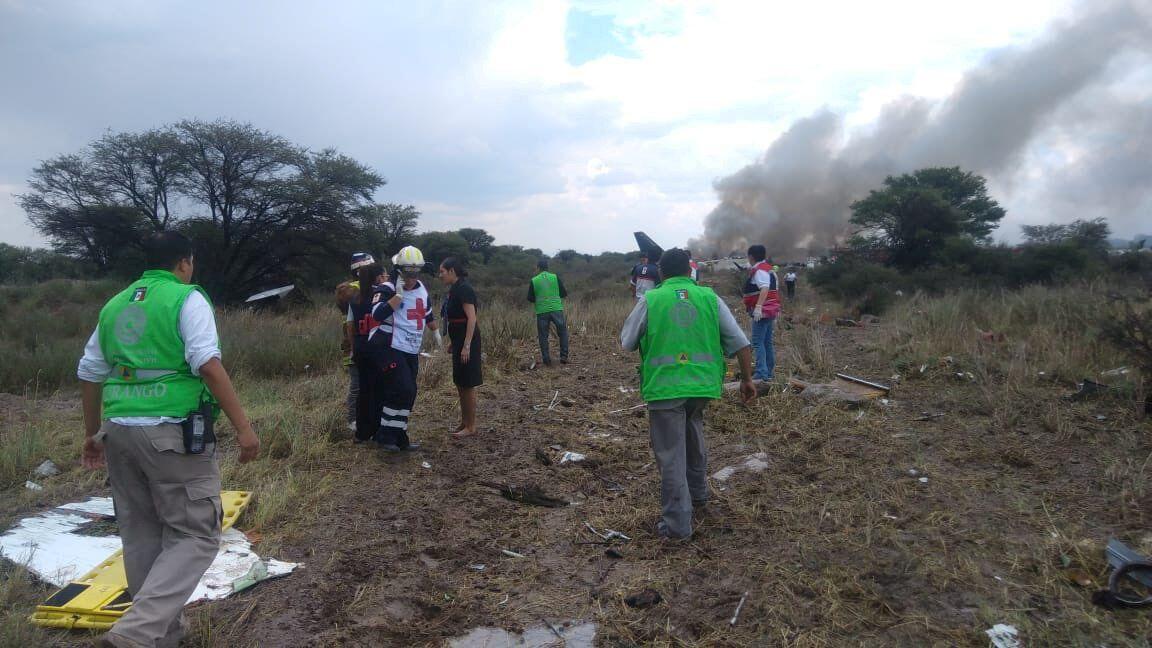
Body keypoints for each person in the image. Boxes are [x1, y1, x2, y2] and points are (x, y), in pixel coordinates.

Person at [77, 231, 260, 648]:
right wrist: (244, 428)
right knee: (196, 536)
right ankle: (135, 633)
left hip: (119, 432)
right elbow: (208, 365)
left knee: (142, 534)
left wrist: (92, 435)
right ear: (184, 262)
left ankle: (163, 636)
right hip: (171, 433)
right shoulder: (186, 298)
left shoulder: (115, 304)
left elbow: (89, 372)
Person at [621, 248, 756, 540]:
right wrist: (747, 380)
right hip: (703, 387)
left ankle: (677, 526)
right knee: (693, 434)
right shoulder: (709, 298)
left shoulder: (651, 299)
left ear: (661, 273)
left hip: (665, 388)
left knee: (671, 456)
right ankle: (698, 496)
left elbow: (627, 342)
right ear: (689, 270)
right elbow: (741, 343)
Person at [367, 245, 437, 452]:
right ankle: (385, 436)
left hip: (410, 347)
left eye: (416, 273)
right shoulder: (387, 288)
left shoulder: (421, 289)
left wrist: (436, 331)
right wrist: (397, 296)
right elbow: (376, 315)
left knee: (409, 392)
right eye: (408, 273)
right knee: (402, 388)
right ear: (398, 270)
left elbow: (427, 312)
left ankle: (399, 436)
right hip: (388, 346)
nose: (412, 277)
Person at [439, 256, 482, 437]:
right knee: (459, 382)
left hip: (467, 342)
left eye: (442, 272)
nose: (440, 275)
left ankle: (471, 427)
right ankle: (464, 422)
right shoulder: (454, 289)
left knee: (467, 383)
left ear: (452, 271)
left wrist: (466, 346)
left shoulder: (464, 289)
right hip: (458, 340)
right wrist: (453, 342)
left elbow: (471, 319)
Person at [347, 261, 388, 443]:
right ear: (377, 278)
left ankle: (362, 433)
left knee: (363, 391)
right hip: (378, 349)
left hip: (361, 349)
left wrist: (353, 347)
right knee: (380, 391)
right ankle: (378, 430)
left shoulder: (354, 299)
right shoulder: (380, 296)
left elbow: (350, 325)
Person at [336, 252, 376, 434]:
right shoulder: (352, 290)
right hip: (355, 345)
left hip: (362, 343)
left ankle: (364, 417)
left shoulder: (360, 288)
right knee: (357, 384)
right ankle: (353, 418)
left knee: (366, 383)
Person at [742, 245, 781, 382]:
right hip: (771, 309)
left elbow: (764, 288)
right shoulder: (769, 269)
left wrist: (758, 307)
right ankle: (768, 373)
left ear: (751, 256)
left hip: (762, 311)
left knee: (758, 343)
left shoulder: (759, 271)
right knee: (767, 342)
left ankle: (761, 373)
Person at [527, 257, 569, 366]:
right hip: (556, 309)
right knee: (563, 332)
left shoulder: (534, 280)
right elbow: (564, 293)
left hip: (542, 311)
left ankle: (546, 360)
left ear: (538, 268)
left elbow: (530, 298)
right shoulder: (555, 277)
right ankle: (564, 356)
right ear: (547, 267)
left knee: (543, 336)